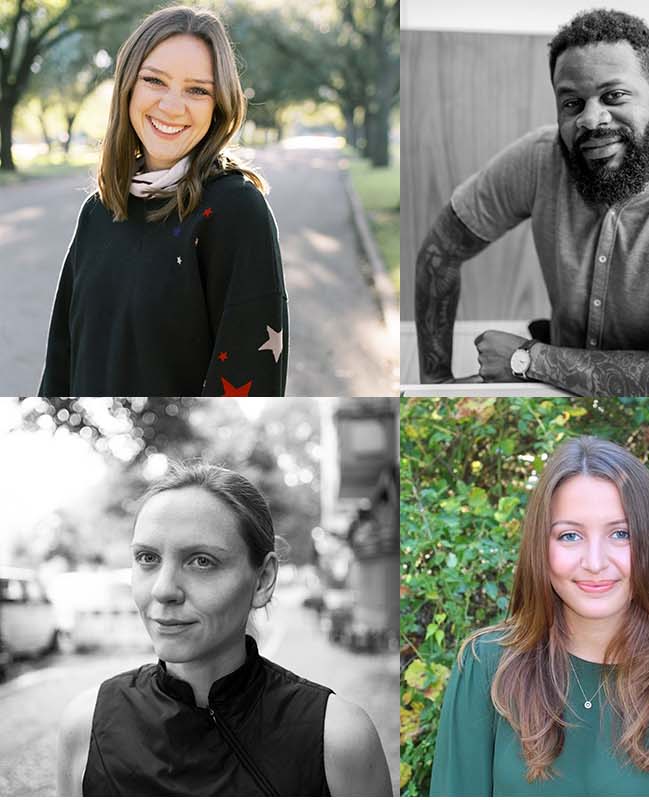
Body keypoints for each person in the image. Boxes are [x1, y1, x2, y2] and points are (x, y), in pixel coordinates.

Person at [413, 9, 649, 396]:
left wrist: (527, 360)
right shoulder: (538, 158)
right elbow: (439, 253)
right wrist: (435, 384)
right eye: (572, 104)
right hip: (546, 390)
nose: (591, 120)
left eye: (614, 95)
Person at [430, 436, 649, 796]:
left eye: (621, 534)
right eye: (570, 536)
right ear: (541, 547)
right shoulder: (484, 670)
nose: (596, 562)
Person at [55, 464, 390, 796]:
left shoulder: (337, 739)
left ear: (263, 580)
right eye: (147, 558)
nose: (162, 589)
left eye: (201, 561)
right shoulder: (88, 726)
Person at [39, 6, 288, 397]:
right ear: (128, 87)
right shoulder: (98, 211)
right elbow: (60, 362)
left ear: (218, 104)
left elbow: (249, 379)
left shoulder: (235, 212)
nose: (172, 106)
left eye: (197, 89)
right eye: (155, 80)